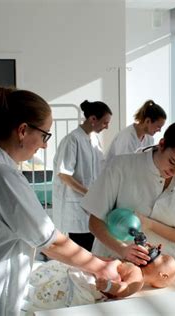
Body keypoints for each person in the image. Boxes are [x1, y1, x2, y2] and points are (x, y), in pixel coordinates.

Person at [0, 85, 120, 315]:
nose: (44, 145)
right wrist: (102, 267)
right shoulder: (1, 176)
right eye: (44, 135)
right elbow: (50, 241)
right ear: (23, 130)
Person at [81, 112, 175, 265]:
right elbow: (94, 222)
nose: (174, 172)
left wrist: (150, 224)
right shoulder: (121, 166)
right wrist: (122, 250)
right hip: (114, 263)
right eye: (172, 162)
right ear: (162, 144)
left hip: (161, 268)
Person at [52, 100, 112, 251]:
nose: (107, 127)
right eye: (105, 122)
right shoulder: (72, 140)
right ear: (92, 119)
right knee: (80, 248)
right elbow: (64, 175)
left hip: (90, 203)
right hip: (76, 204)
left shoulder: (94, 140)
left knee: (92, 246)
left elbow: (99, 168)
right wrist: (88, 193)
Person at [27, 253, 175, 310]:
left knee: (57, 286)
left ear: (163, 275)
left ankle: (31, 291)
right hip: (87, 270)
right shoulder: (135, 266)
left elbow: (124, 289)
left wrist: (109, 286)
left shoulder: (137, 279)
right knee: (55, 274)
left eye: (162, 257)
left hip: (89, 282)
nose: (157, 253)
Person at [105, 100, 166, 166]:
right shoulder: (127, 138)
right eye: (158, 127)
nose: (159, 130)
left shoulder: (149, 139)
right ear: (148, 121)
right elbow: (123, 167)